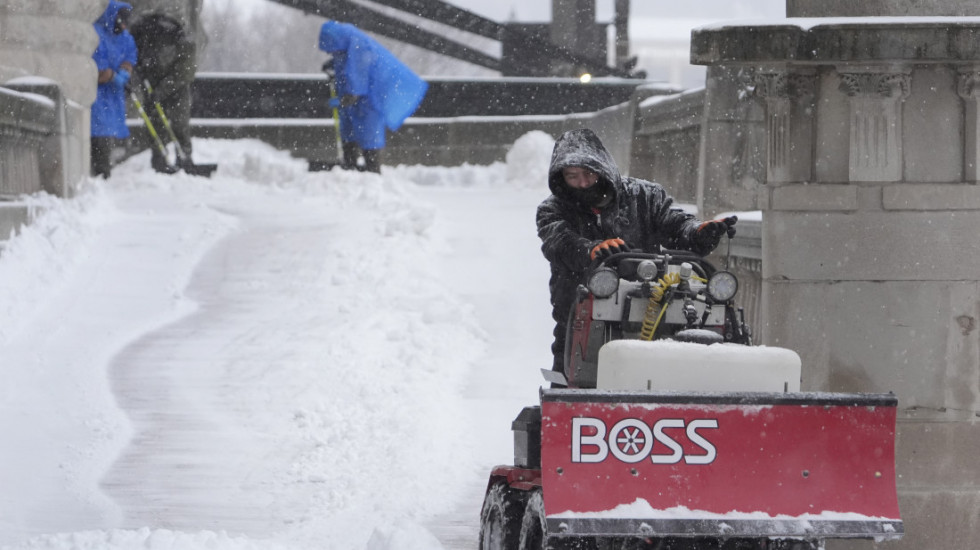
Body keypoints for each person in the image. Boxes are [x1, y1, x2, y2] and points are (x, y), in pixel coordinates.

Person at [536, 128, 738, 376]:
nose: (583, 183)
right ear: (561, 177)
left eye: (589, 174)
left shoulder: (646, 196)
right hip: (578, 316)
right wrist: (590, 250)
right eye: (573, 176)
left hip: (650, 307)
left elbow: (676, 225)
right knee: (573, 376)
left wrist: (698, 233)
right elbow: (558, 241)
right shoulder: (551, 209)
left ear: (603, 168)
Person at [318, 21, 428, 173]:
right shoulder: (345, 44)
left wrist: (348, 97)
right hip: (357, 103)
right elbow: (345, 63)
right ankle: (350, 167)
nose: (330, 53)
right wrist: (332, 64)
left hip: (369, 101)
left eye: (332, 50)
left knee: (369, 134)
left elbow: (358, 74)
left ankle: (373, 170)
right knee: (349, 131)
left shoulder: (359, 46)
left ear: (335, 40)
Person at [128, 12, 199, 173]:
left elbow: (183, 73)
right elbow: (136, 58)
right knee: (155, 123)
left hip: (174, 89)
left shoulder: (183, 41)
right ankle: (159, 159)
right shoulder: (146, 34)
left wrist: (161, 91)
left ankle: (184, 159)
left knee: (179, 124)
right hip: (153, 86)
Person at [90, 0, 138, 179]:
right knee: (98, 132)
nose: (123, 25)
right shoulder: (97, 33)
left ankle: (103, 170)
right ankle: (101, 172)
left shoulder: (126, 38)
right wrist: (109, 75)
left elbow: (130, 57)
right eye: (120, 20)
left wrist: (125, 72)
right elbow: (96, 67)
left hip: (114, 96)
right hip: (97, 95)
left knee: (109, 131)